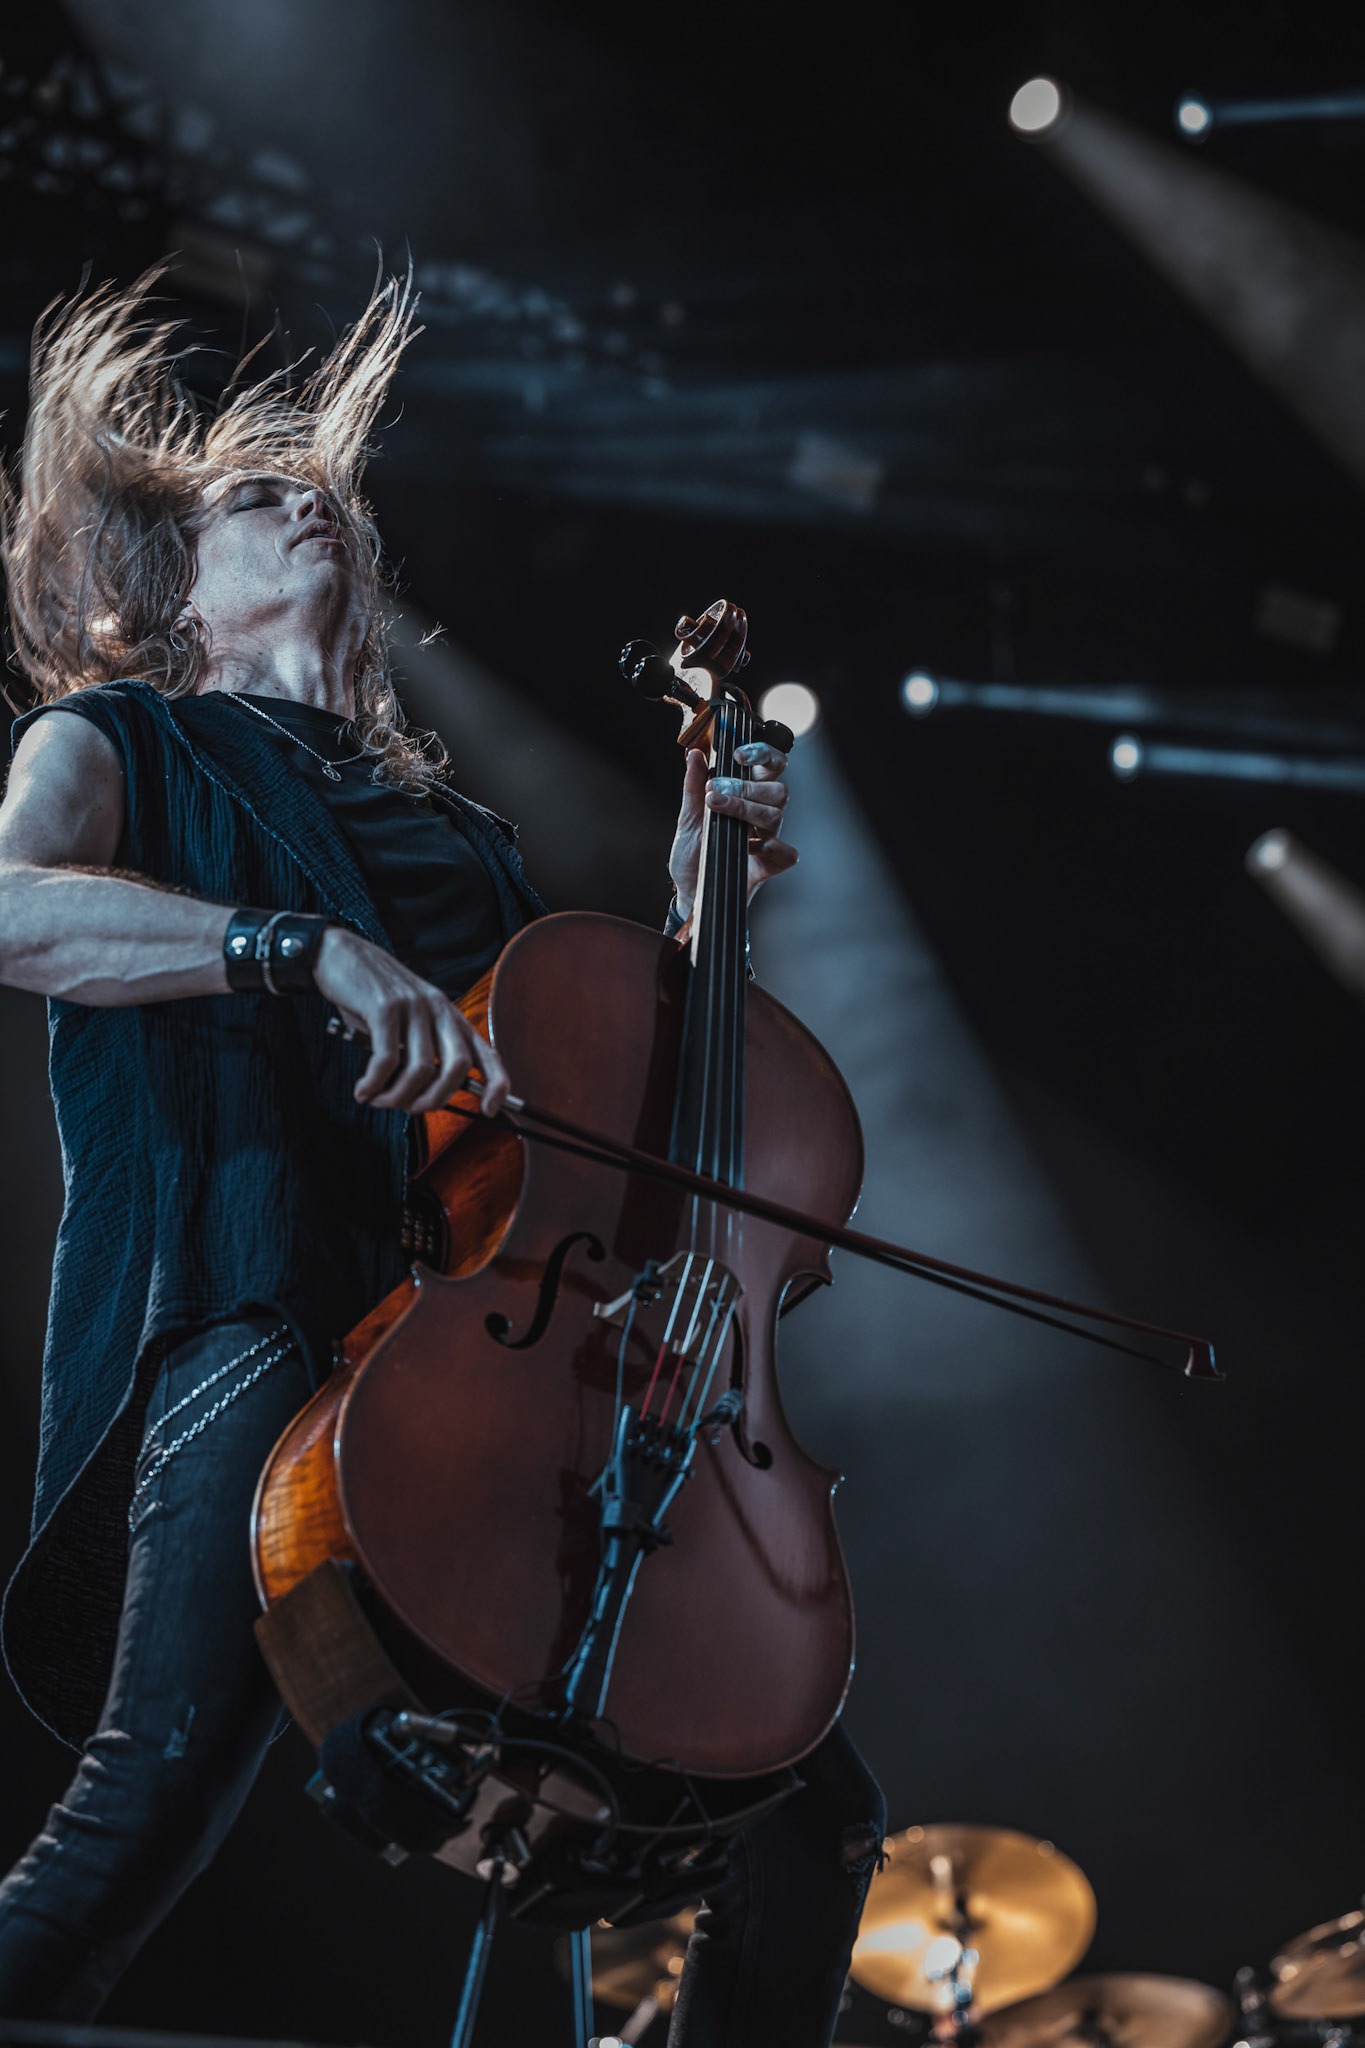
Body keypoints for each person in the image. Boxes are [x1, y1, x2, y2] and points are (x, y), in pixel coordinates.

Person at [0, 270, 885, 2038]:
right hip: (249, 1301)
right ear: (171, 596)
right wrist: (281, 946)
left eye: (318, 487)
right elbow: (9, 904)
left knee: (804, 1825)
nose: (304, 499)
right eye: (253, 498)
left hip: (470, 1362)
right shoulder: (121, 740)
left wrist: (710, 896)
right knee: (152, 1795)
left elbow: (604, 1131)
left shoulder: (462, 842)